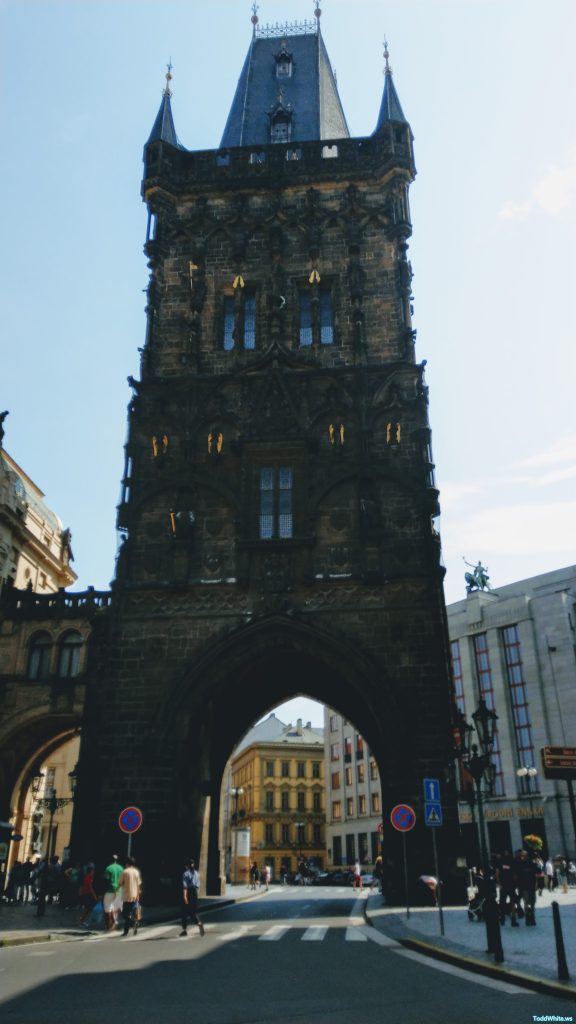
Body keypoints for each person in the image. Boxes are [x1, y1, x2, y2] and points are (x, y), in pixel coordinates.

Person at [180, 858, 204, 937]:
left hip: (189, 892)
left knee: (184, 912)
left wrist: (185, 896)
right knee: (193, 912)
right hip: (195, 892)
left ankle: (184, 930)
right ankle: (199, 923)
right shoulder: (197, 873)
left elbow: (185, 886)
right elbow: (198, 886)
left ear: (187, 866)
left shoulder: (185, 874)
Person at [119, 856, 142, 936]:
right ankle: (134, 923)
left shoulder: (125, 872)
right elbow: (139, 885)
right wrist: (138, 894)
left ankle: (127, 930)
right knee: (133, 912)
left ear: (127, 863)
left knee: (125, 914)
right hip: (135, 896)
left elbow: (120, 883)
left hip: (126, 896)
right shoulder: (136, 872)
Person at [516, 850, 538, 926]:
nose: (523, 857)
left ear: (527, 856)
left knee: (532, 902)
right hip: (524, 887)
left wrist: (536, 863)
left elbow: (537, 871)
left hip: (531, 886)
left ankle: (532, 917)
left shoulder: (532, 863)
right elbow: (517, 876)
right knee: (526, 902)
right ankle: (528, 918)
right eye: (522, 856)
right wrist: (518, 886)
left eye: (524, 855)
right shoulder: (519, 864)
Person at [103, 854, 123, 931]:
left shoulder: (108, 868)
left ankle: (109, 926)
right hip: (119, 891)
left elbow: (106, 880)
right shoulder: (121, 868)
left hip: (110, 890)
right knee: (115, 908)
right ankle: (114, 922)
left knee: (108, 908)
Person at [79, 863, 98, 927]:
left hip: (86, 894)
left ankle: (82, 920)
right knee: (87, 908)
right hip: (86, 894)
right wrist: (94, 896)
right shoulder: (88, 877)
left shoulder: (88, 877)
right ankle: (82, 921)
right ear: (90, 871)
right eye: (93, 871)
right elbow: (90, 887)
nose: (93, 872)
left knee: (87, 908)